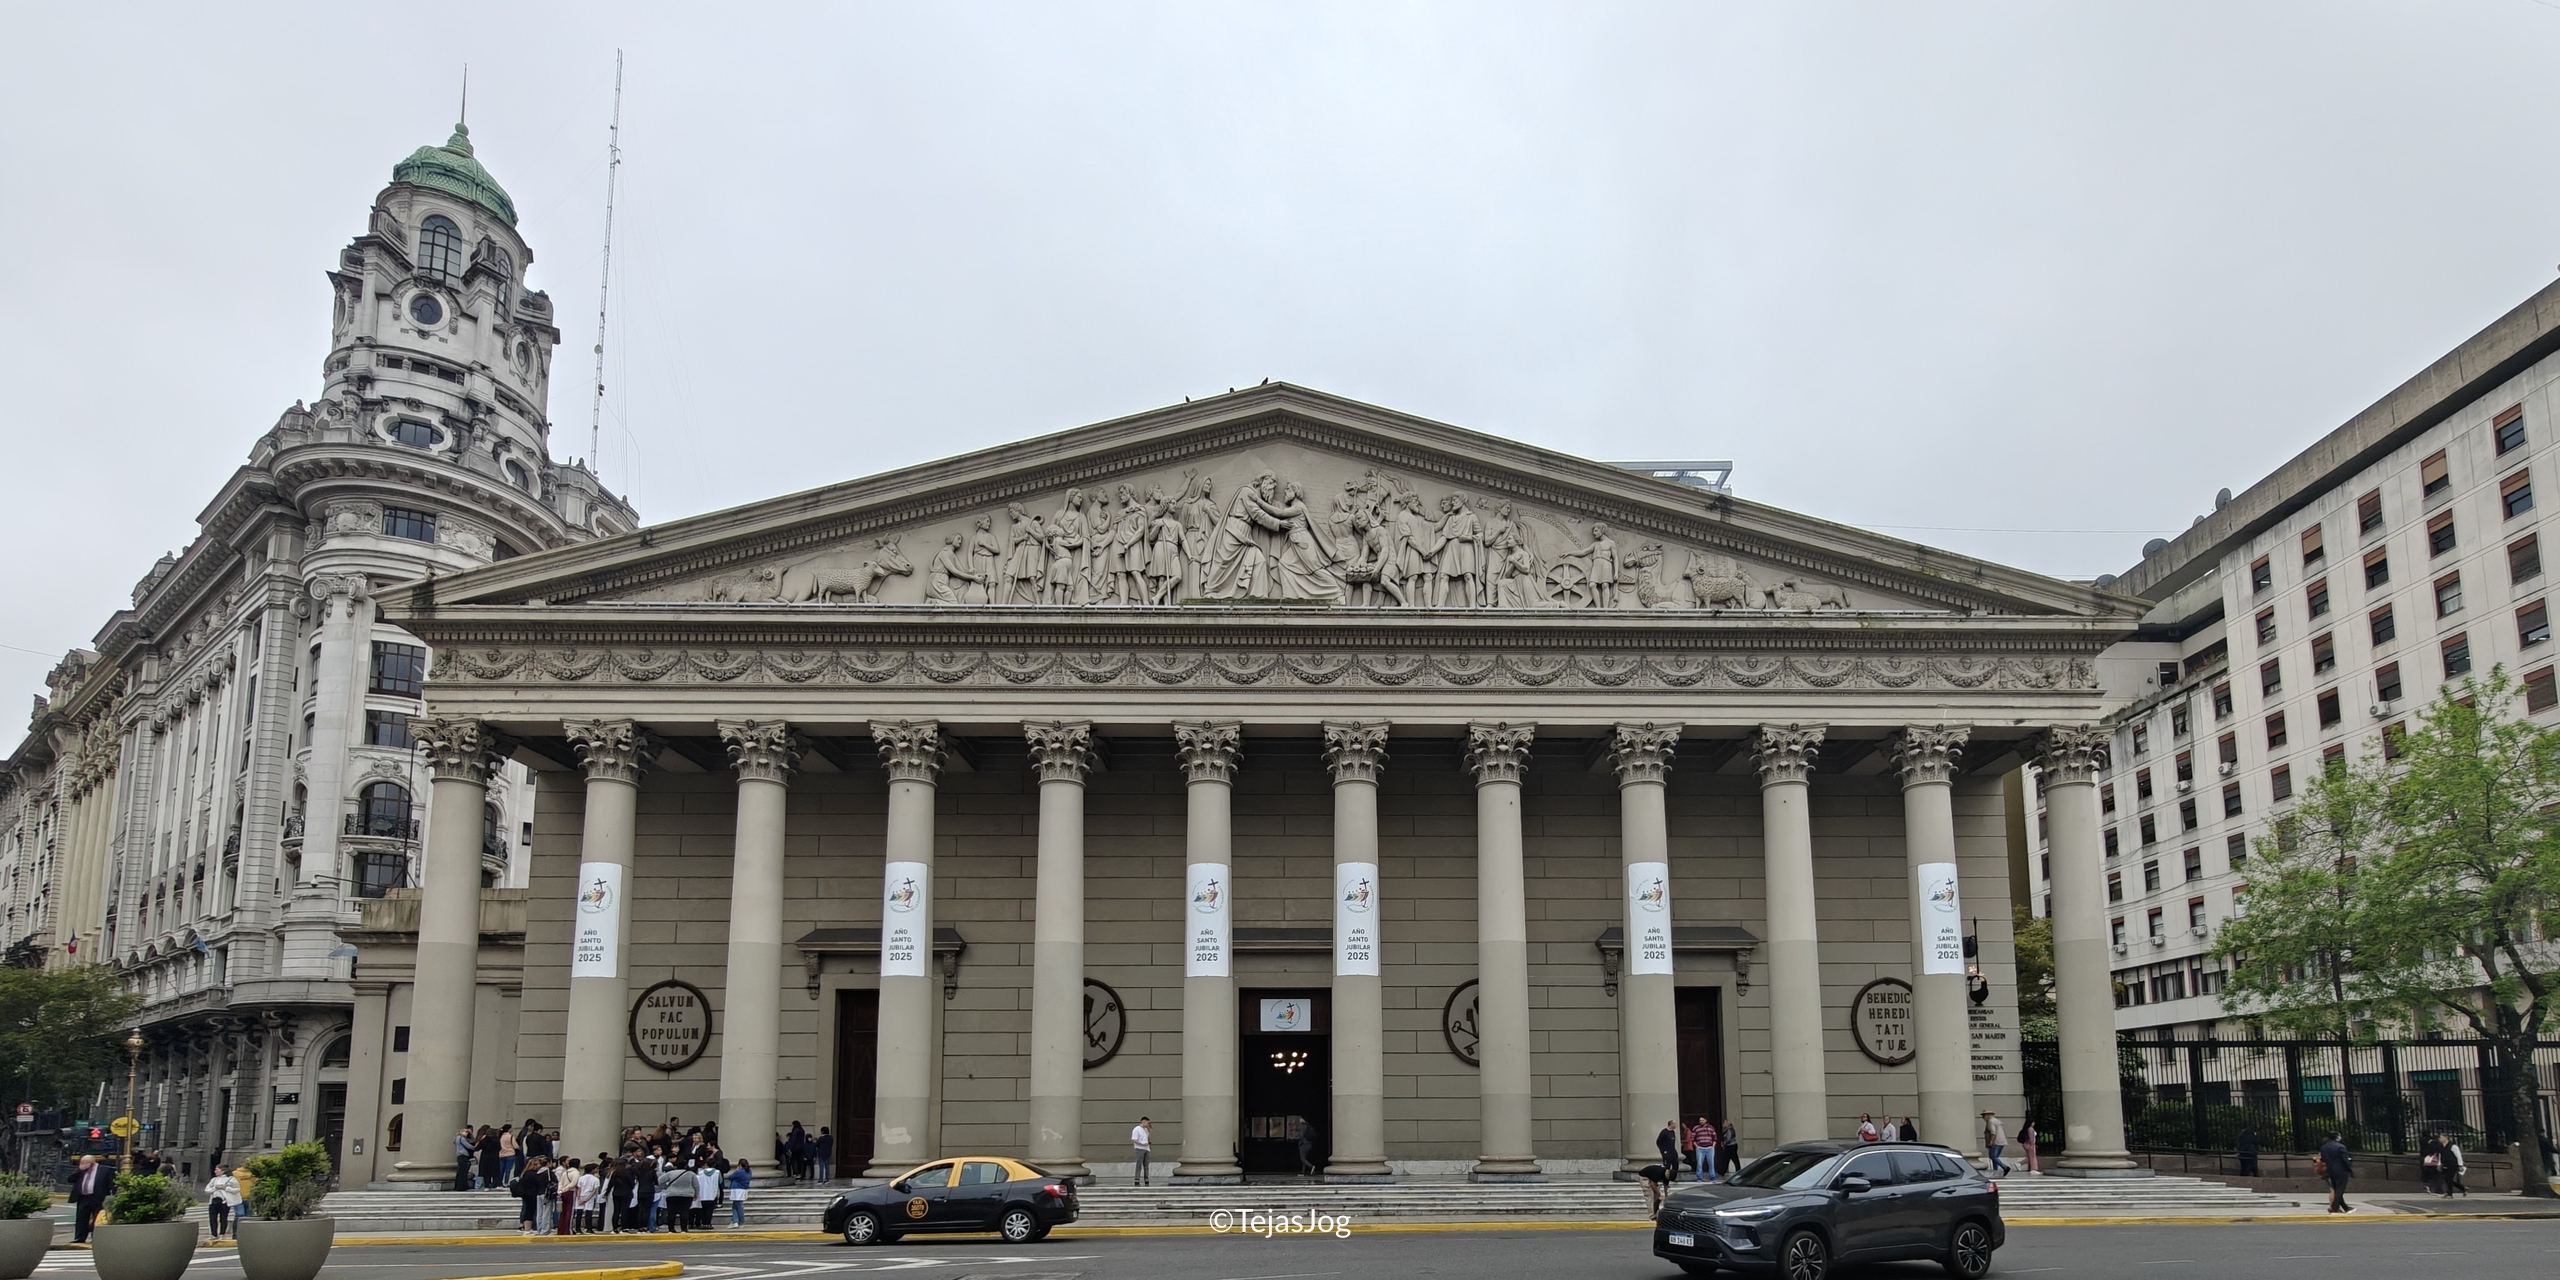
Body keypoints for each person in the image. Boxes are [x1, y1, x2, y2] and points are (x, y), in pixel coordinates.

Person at [70, 1156, 109, 1244]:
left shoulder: (104, 1170)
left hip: (97, 1197)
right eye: (81, 1163)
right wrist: (79, 1170)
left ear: (91, 1163)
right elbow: (70, 1179)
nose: (83, 1165)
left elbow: (110, 1183)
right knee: (81, 1218)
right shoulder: (81, 1172)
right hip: (83, 1197)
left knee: (97, 1217)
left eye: (85, 1163)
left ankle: (95, 1237)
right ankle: (80, 1237)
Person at [2317, 1133, 2354, 1213]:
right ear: (2336, 1137)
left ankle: (2346, 1208)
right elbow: (2345, 1160)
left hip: (2330, 1170)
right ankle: (2334, 1206)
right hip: (2341, 1170)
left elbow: (2323, 1159)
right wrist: (2350, 1169)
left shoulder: (2324, 1147)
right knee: (2340, 1189)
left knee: (2336, 1189)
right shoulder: (2341, 1147)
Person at [203, 1165, 240, 1240]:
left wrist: (226, 1188)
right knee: (212, 1218)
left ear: (223, 1171)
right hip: (213, 1201)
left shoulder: (231, 1179)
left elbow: (236, 1189)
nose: (215, 1171)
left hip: (224, 1201)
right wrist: (215, 1188)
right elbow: (207, 1189)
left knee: (223, 1218)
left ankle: (222, 1234)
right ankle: (214, 1234)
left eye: (217, 1170)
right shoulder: (214, 1180)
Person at [1688, 1117, 1717, 1181]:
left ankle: (1712, 1177)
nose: (1701, 1121)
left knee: (1711, 1163)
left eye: (1702, 1120)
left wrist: (1713, 1146)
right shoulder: (1696, 1128)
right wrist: (1696, 1146)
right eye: (1700, 1120)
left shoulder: (1711, 1128)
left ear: (1706, 1120)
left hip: (1710, 1148)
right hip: (1700, 1148)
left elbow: (1715, 1137)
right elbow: (1692, 1138)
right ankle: (1699, 1177)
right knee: (1699, 1164)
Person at [727, 1160, 753, 1227]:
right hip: (743, 1189)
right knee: (736, 1205)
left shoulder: (739, 1172)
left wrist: (737, 1170)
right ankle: (735, 1220)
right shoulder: (749, 1172)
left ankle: (740, 1221)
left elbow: (730, 1177)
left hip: (737, 1189)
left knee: (738, 1206)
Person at [1131, 1117, 1153, 1186]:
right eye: (1147, 1123)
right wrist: (1142, 1143)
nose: (1148, 1124)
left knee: (1146, 1165)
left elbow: (1148, 1138)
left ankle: (1146, 1178)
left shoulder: (1146, 1130)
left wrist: (1150, 1130)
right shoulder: (1136, 1129)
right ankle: (1137, 1179)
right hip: (1139, 1148)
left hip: (1146, 1148)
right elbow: (1134, 1139)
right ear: (1143, 1121)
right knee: (1139, 1164)